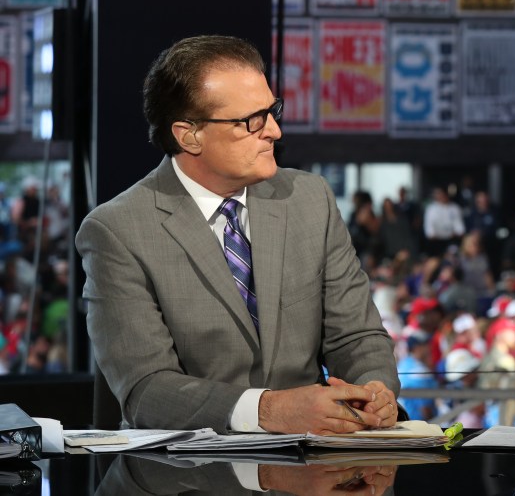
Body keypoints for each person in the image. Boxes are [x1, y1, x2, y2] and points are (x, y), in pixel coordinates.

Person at [76, 35, 400, 433]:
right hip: (182, 476)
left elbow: (357, 336)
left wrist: (374, 392)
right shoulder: (117, 231)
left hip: (314, 464)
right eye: (252, 121)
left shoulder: (309, 199)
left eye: (272, 111)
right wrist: (271, 410)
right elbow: (147, 391)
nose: (275, 132)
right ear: (188, 135)